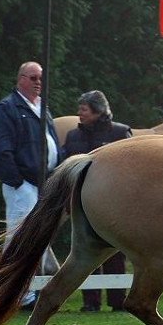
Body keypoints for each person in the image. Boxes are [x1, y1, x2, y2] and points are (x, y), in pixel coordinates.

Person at [0, 61, 62, 310]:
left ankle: (23, 292)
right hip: (24, 185)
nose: (38, 82)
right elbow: (1, 149)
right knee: (19, 239)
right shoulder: (8, 108)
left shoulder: (42, 107)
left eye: (40, 78)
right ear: (20, 79)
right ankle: (19, 295)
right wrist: (18, 182)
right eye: (32, 77)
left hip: (43, 184)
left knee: (36, 239)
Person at [62, 90, 132, 312]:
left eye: (83, 109)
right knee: (85, 253)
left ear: (98, 111)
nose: (79, 113)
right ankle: (90, 302)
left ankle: (117, 300)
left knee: (115, 252)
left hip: (116, 206)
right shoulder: (73, 136)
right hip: (83, 206)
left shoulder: (121, 133)